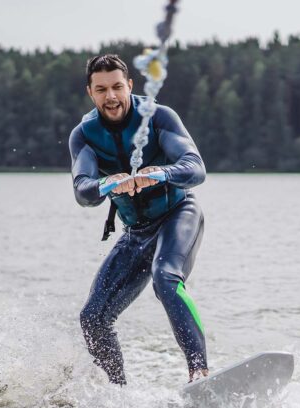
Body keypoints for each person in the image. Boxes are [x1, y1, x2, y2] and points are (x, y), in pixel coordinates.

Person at [69, 54, 208, 385]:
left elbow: (196, 167)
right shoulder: (84, 135)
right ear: (90, 92)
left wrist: (161, 172)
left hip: (178, 214)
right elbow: (82, 190)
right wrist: (110, 182)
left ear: (130, 85)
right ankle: (118, 396)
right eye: (101, 90)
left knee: (166, 277)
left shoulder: (159, 118)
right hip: (137, 233)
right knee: (93, 317)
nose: (111, 97)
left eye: (118, 87)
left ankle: (199, 371)